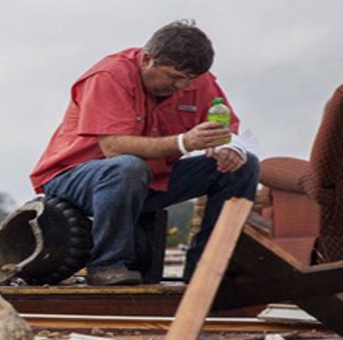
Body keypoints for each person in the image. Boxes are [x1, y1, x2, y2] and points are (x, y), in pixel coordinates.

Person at [29, 19, 259, 286]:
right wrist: (184, 143)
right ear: (147, 59)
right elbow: (114, 147)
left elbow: (228, 126)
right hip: (75, 177)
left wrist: (228, 147)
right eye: (173, 77)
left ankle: (208, 269)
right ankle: (107, 264)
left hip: (147, 178)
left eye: (189, 80)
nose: (181, 87)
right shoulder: (109, 76)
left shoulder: (198, 80)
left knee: (244, 166)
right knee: (127, 166)